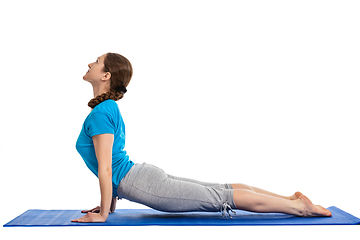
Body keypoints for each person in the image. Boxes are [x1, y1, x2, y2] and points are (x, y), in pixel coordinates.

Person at [71, 53, 332, 223]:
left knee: (220, 197)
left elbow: (106, 168)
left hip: (140, 183)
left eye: (95, 61)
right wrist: (110, 204)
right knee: (221, 189)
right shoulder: (107, 108)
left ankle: (301, 208)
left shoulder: (100, 113)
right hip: (139, 176)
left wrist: (104, 214)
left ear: (106, 76)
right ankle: (290, 200)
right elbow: (111, 163)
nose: (89, 64)